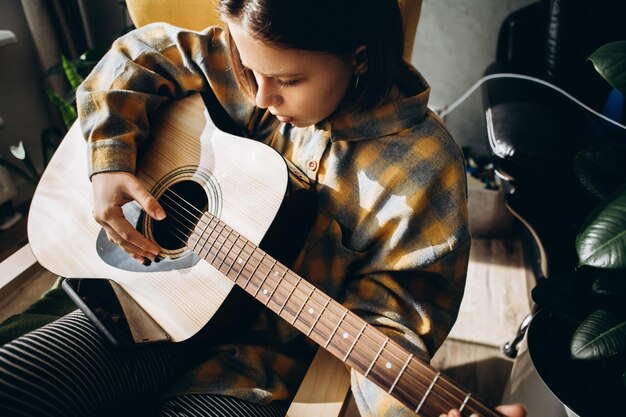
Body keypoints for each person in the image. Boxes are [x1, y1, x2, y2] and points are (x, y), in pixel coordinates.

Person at [0, 0, 525, 416]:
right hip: (143, 305)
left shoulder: (426, 166)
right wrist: (110, 161)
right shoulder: (247, 61)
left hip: (255, 371)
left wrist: (409, 405)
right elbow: (138, 55)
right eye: (249, 71)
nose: (259, 97)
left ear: (359, 56)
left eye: (289, 81)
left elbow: (391, 326)